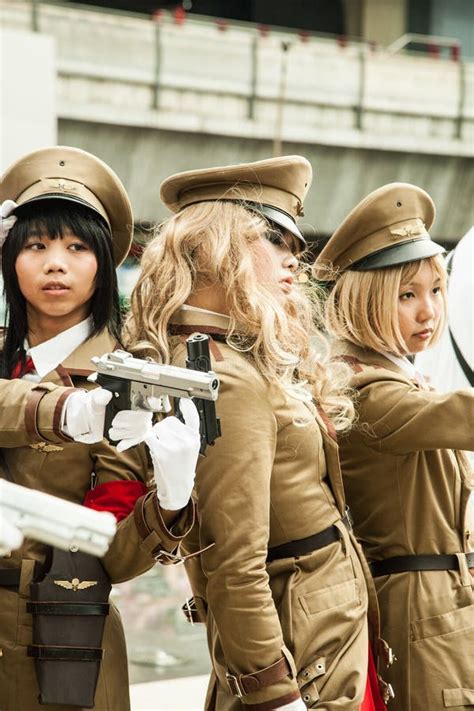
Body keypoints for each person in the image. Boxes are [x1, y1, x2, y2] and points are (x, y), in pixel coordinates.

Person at [122, 156, 390, 710]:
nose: (294, 256)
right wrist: (275, 695)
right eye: (273, 238)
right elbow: (231, 563)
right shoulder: (225, 375)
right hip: (304, 653)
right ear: (214, 248)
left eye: (295, 241)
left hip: (317, 634)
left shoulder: (235, 360)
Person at [0, 146, 200, 711]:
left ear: (102, 263)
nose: (55, 263)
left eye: (76, 247)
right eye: (35, 245)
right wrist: (65, 412)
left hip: (61, 637)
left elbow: (113, 555)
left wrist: (171, 499)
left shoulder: (128, 379)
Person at [314, 183, 474, 711]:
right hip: (417, 606)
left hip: (438, 599)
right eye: (407, 295)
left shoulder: (395, 378)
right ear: (366, 299)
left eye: (435, 290)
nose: (427, 311)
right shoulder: (368, 392)